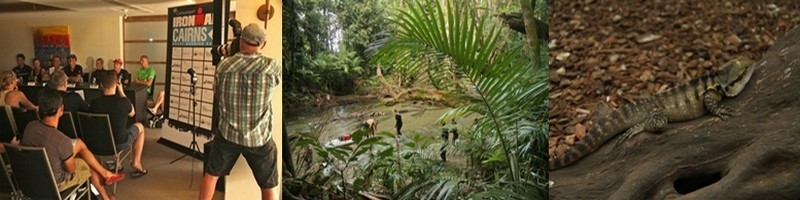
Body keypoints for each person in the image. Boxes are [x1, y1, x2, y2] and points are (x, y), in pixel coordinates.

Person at [199, 23, 280, 200]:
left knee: (211, 175)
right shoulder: (272, 66)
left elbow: (218, 96)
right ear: (263, 44)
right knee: (269, 185)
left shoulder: (224, 66)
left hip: (228, 135)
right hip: (259, 138)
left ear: (240, 40)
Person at [20, 89, 124, 200]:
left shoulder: (30, 127)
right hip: (55, 185)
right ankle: (105, 192)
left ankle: (105, 181)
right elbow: (71, 169)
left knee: (79, 148)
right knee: (85, 163)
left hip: (30, 179)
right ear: (61, 110)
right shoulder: (61, 140)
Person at [90, 72, 147, 178]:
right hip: (118, 143)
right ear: (116, 84)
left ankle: (117, 163)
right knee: (140, 127)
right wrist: (122, 93)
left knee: (109, 129)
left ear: (101, 85)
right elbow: (132, 113)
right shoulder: (123, 102)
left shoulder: (94, 103)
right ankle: (136, 162)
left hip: (99, 143)